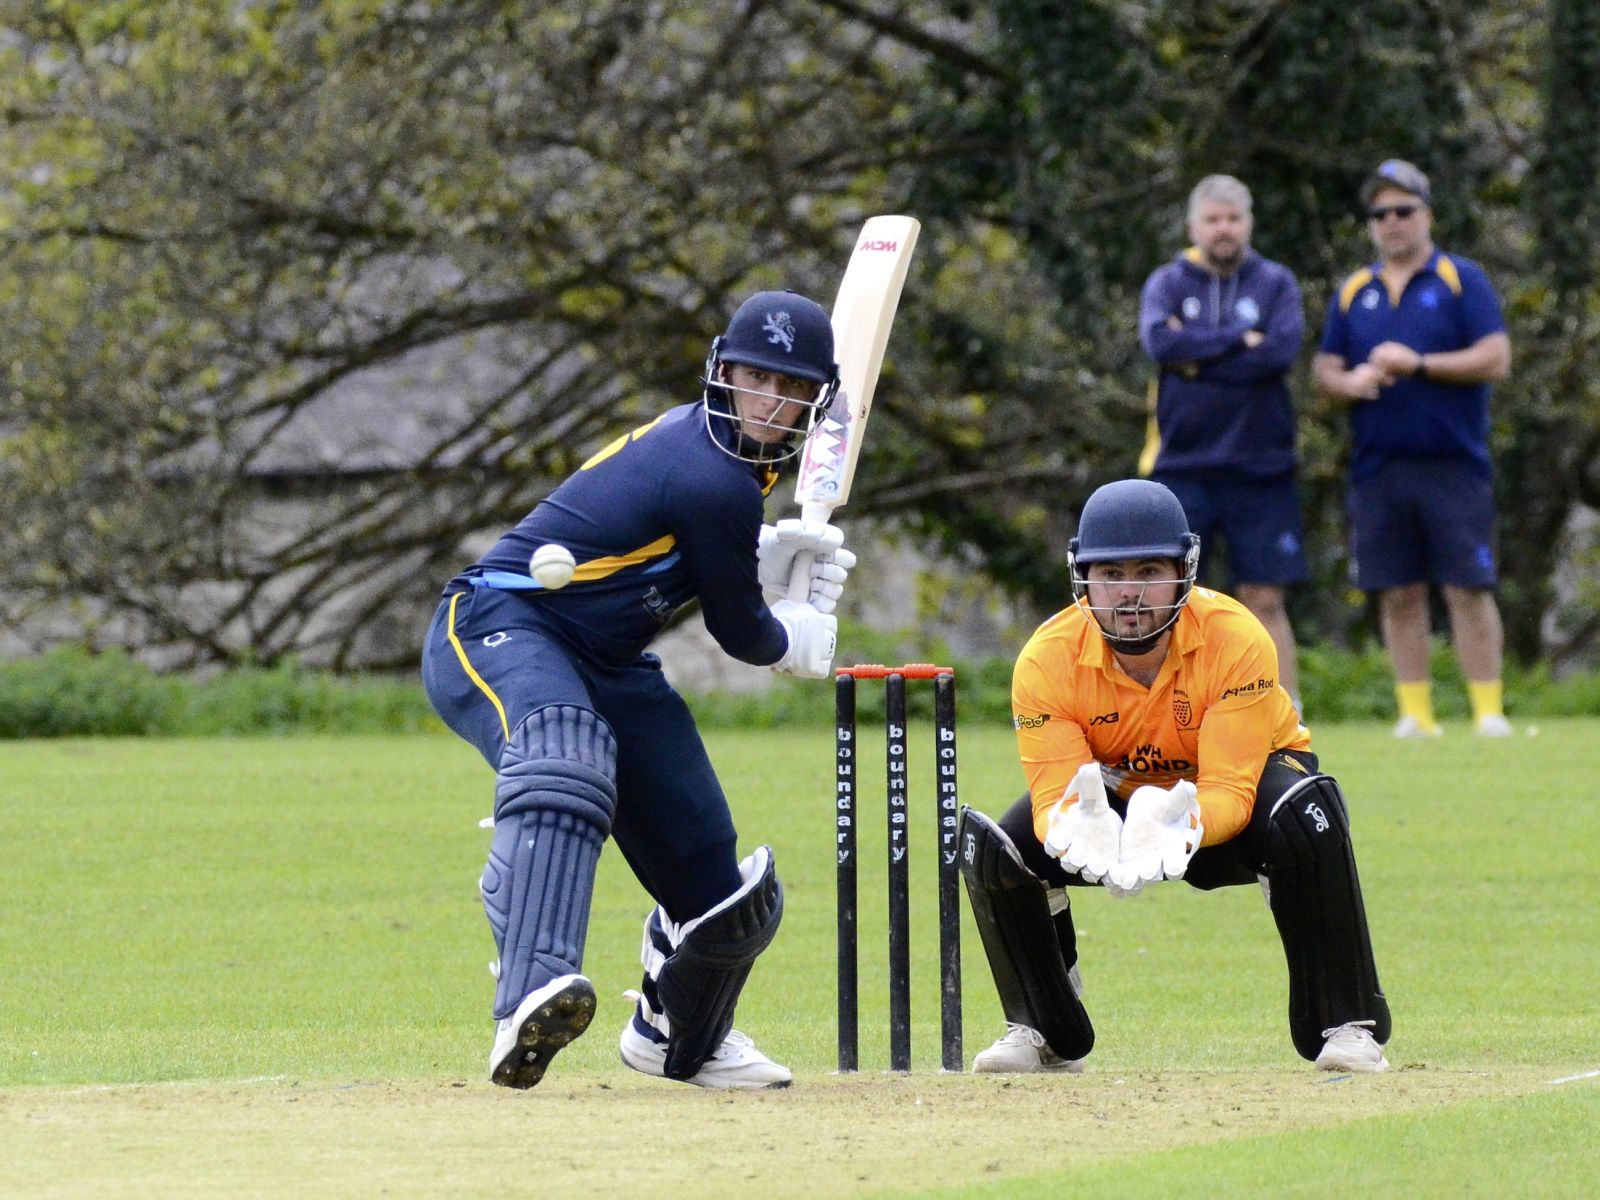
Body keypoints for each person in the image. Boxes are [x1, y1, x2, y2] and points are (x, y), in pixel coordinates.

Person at [421, 290, 855, 1090]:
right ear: (721, 370)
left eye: (793, 388)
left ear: (814, 402)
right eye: (758, 378)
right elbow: (744, 636)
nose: (773, 401)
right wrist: (794, 633)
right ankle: (529, 993)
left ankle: (677, 1035)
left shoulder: (728, 474)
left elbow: (673, 550)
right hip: (494, 624)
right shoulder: (713, 476)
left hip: (607, 660)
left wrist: (755, 555)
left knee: (713, 878)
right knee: (564, 750)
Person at [958, 479, 1391, 1075]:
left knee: (1304, 814)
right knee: (999, 848)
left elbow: (1233, 792)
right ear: (1082, 577)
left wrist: (1178, 823)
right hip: (1121, 793)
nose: (1129, 595)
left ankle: (1346, 1026)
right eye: (1110, 576)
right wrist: (1077, 830)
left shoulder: (1235, 637)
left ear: (1184, 571)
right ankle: (1042, 1029)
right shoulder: (1045, 658)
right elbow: (1056, 796)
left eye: (1147, 572)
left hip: (1239, 787)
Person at [1313, 159, 1514, 738]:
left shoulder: (1460, 279)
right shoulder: (1355, 291)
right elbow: (1325, 366)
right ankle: (1416, 716)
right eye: (1381, 214)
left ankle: (1488, 711)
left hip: (1453, 462)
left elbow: (1495, 357)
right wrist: (1348, 382)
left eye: (1403, 210)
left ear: (1426, 214)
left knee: (1468, 587)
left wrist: (1419, 363)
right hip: (1378, 466)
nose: (1393, 222)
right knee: (1396, 590)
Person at [1137, 174, 1308, 709]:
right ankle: (1172, 709)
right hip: (1182, 469)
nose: (1224, 229)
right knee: (1175, 599)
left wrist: (1199, 361)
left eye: (1233, 219)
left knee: (1264, 598)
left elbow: (1278, 354)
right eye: (1213, 220)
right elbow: (1160, 342)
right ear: (1194, 226)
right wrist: (1238, 341)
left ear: (1249, 223)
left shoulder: (1276, 282)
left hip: (1262, 468)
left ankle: (1283, 711)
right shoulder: (1167, 282)